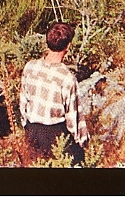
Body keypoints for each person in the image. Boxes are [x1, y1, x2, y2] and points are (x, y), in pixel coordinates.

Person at [19, 22, 88, 164]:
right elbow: (73, 118)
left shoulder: (30, 67)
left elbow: (23, 103)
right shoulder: (67, 78)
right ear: (68, 46)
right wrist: (82, 142)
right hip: (54, 134)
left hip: (31, 130)